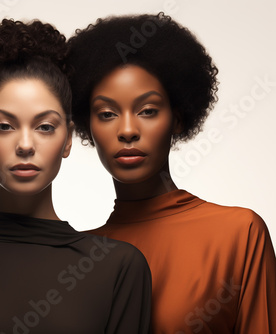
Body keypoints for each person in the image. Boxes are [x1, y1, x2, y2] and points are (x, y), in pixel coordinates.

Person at [0, 19, 151, 334]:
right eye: (5, 126)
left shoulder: (118, 268)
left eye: (44, 127)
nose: (24, 145)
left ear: (67, 140)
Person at [67, 12, 276, 333]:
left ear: (177, 119)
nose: (127, 130)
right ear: (87, 125)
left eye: (147, 111)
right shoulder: (77, 257)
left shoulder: (238, 233)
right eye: (107, 113)